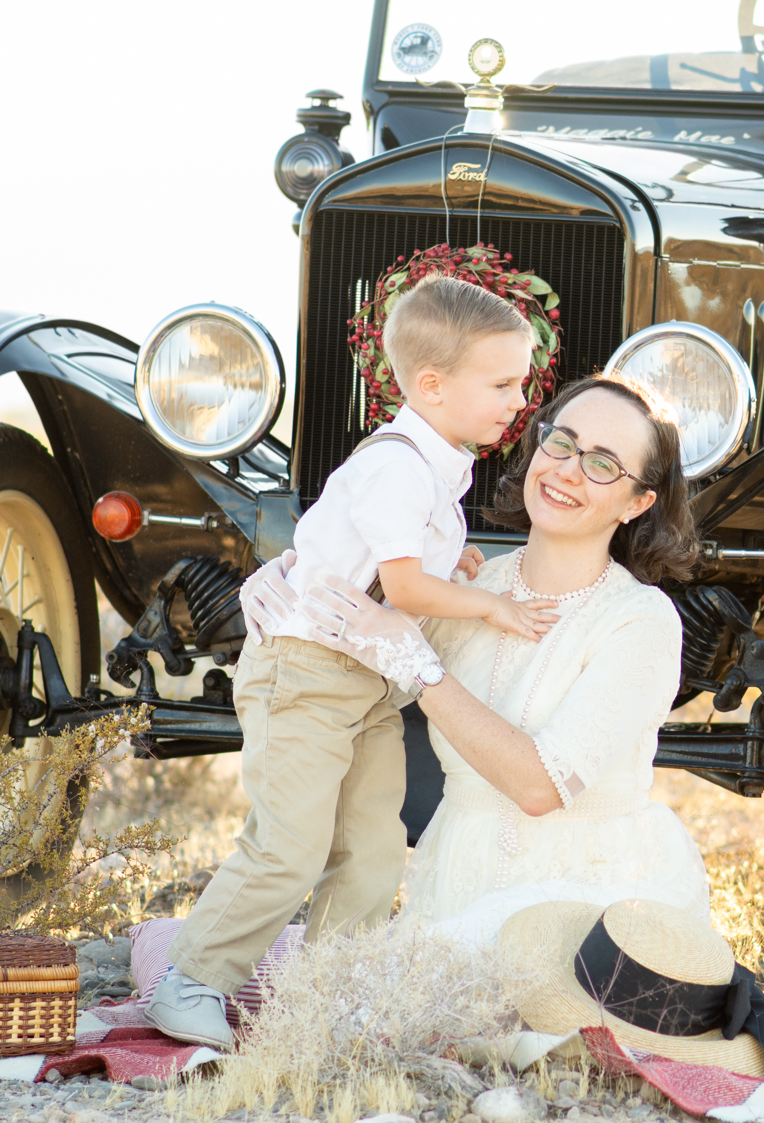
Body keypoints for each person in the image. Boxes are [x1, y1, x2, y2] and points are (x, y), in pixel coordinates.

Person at [250, 374, 764, 1060]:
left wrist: (417, 660)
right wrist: (286, 588)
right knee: (349, 1011)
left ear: (637, 501)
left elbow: (539, 786)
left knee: (423, 1024)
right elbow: (349, 635)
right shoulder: (467, 587)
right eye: (559, 442)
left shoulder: (640, 620)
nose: (567, 470)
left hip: (587, 890)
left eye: (602, 463)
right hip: (458, 872)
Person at [148, 275, 554, 1051]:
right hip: (304, 671)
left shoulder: (439, 462)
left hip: (363, 676)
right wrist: (491, 603)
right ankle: (192, 979)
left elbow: (397, 556)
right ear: (431, 384)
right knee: (290, 842)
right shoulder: (399, 465)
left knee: (370, 845)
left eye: (521, 379)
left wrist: (455, 558)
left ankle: (328, 993)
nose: (519, 397)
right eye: (502, 382)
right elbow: (400, 586)